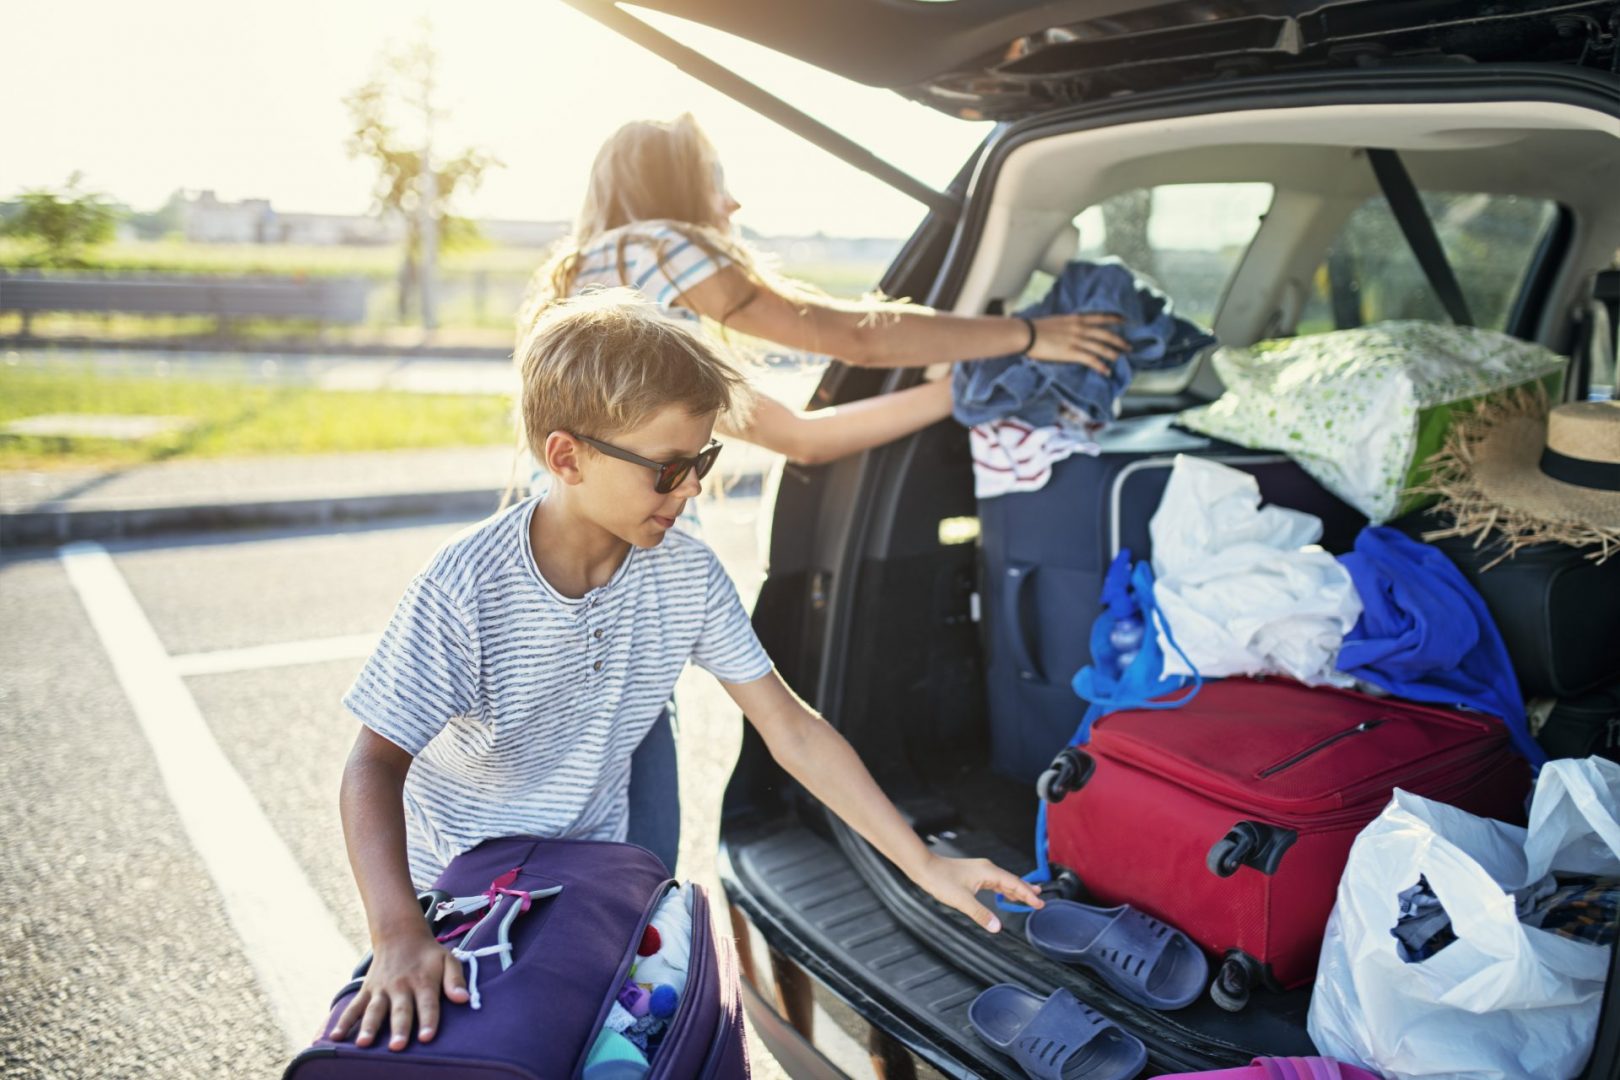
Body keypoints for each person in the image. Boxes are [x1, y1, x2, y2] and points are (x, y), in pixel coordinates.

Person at [330, 292, 1045, 1052]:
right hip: (465, 895)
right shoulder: (468, 588)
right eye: (669, 468)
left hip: (590, 880)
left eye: (703, 460)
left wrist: (923, 863)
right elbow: (372, 767)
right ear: (567, 456)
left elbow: (791, 728)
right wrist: (398, 931)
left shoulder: (684, 573)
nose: (694, 489)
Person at [522, 114, 1128, 871]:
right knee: (630, 851)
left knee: (584, 820)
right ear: (670, 182)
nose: (732, 203)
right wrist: (1028, 339)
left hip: (587, 580)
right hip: (630, 587)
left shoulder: (604, 293)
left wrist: (960, 394)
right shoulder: (657, 246)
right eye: (715, 177)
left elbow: (800, 436)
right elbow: (855, 338)